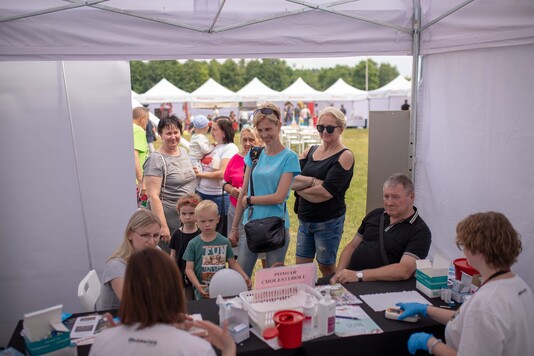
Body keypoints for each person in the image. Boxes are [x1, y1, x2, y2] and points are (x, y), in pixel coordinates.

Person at [397, 212, 534, 356]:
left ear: (479, 250)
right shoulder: (519, 285)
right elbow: (468, 318)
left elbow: (479, 315)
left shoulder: (486, 304)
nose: (464, 252)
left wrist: (430, 343)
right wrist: (426, 309)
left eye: (464, 245)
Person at [90, 248, 236, 356]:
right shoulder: (197, 349)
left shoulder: (102, 342)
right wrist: (228, 348)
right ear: (175, 291)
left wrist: (116, 337)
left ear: (129, 290)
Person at [229, 102, 301, 277]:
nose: (264, 134)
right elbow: (243, 192)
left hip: (276, 226)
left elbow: (279, 197)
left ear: (279, 125)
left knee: (272, 280)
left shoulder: (289, 157)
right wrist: (234, 227)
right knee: (240, 276)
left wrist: (251, 200)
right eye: (260, 130)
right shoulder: (254, 155)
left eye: (268, 129)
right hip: (250, 224)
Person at [329, 173, 431, 284]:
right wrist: (338, 275)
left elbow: (404, 270)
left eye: (395, 197)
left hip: (377, 287)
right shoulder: (375, 214)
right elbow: (352, 246)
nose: (389, 202)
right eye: (386, 196)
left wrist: (358, 275)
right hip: (349, 278)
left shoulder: (420, 231)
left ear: (411, 197)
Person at [292, 107, 355, 277]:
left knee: (326, 268)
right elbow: (289, 178)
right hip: (305, 220)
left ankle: (333, 297)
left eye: (329, 128)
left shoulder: (345, 155)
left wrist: (299, 187)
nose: (324, 132)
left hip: (328, 222)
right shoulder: (310, 150)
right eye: (320, 127)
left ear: (341, 129)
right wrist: (312, 181)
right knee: (301, 269)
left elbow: (325, 193)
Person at [144, 115, 197, 250]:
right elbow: (153, 196)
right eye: (168, 133)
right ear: (160, 134)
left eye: (176, 132)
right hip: (170, 221)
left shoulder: (183, 152)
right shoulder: (156, 159)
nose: (173, 136)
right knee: (170, 262)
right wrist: (163, 226)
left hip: (189, 218)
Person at [183, 200, 251, 299]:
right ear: (196, 221)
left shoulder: (224, 241)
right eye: (203, 221)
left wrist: (245, 276)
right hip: (203, 290)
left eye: (211, 220)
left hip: (222, 288)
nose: (207, 224)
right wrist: (197, 285)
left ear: (218, 219)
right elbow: (189, 269)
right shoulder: (193, 244)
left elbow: (233, 263)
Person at [96, 209, 161, 311]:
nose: (152, 242)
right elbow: (133, 305)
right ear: (129, 234)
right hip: (114, 319)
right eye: (145, 235)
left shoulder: (156, 251)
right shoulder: (116, 266)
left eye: (156, 235)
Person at [195, 117, 239, 233]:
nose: (211, 132)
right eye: (211, 129)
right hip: (202, 194)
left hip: (218, 197)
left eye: (215, 129)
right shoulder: (214, 146)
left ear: (224, 131)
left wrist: (200, 174)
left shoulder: (230, 148)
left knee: (218, 233)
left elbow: (222, 174)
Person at [223, 127, 260, 256]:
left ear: (259, 141)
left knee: (263, 249)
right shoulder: (235, 159)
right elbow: (224, 183)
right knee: (236, 247)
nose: (248, 143)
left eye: (251, 140)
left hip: (257, 209)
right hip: (235, 207)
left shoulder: (263, 158)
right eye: (244, 140)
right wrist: (231, 190)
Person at [169, 193, 202, 301]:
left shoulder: (201, 232)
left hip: (198, 272)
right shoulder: (176, 234)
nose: (187, 217)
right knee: (186, 299)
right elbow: (173, 255)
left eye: (191, 213)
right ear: (179, 215)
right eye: (184, 213)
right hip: (181, 272)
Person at [133, 107, 149, 199]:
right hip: (137, 183)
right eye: (147, 120)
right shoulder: (138, 130)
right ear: (142, 118)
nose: (147, 123)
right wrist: (141, 181)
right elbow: (134, 156)